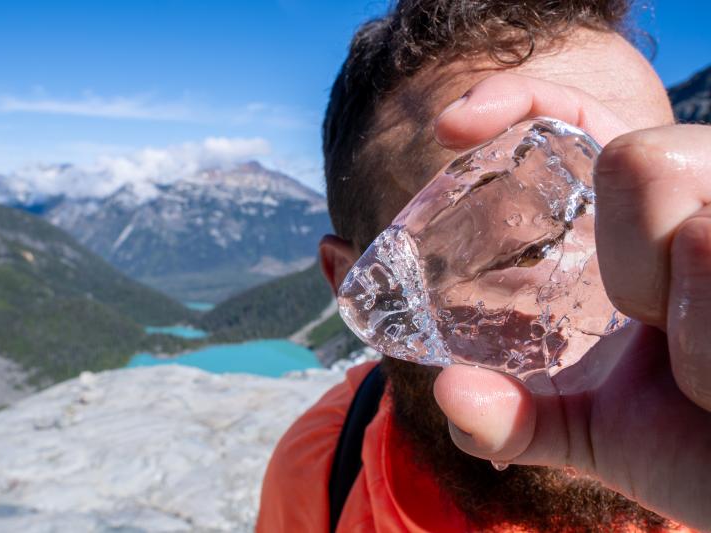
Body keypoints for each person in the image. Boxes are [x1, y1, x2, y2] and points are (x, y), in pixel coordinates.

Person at [257, 1, 711, 531]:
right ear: (364, 289)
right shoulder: (321, 469)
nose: (641, 297)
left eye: (663, 221)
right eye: (527, 251)